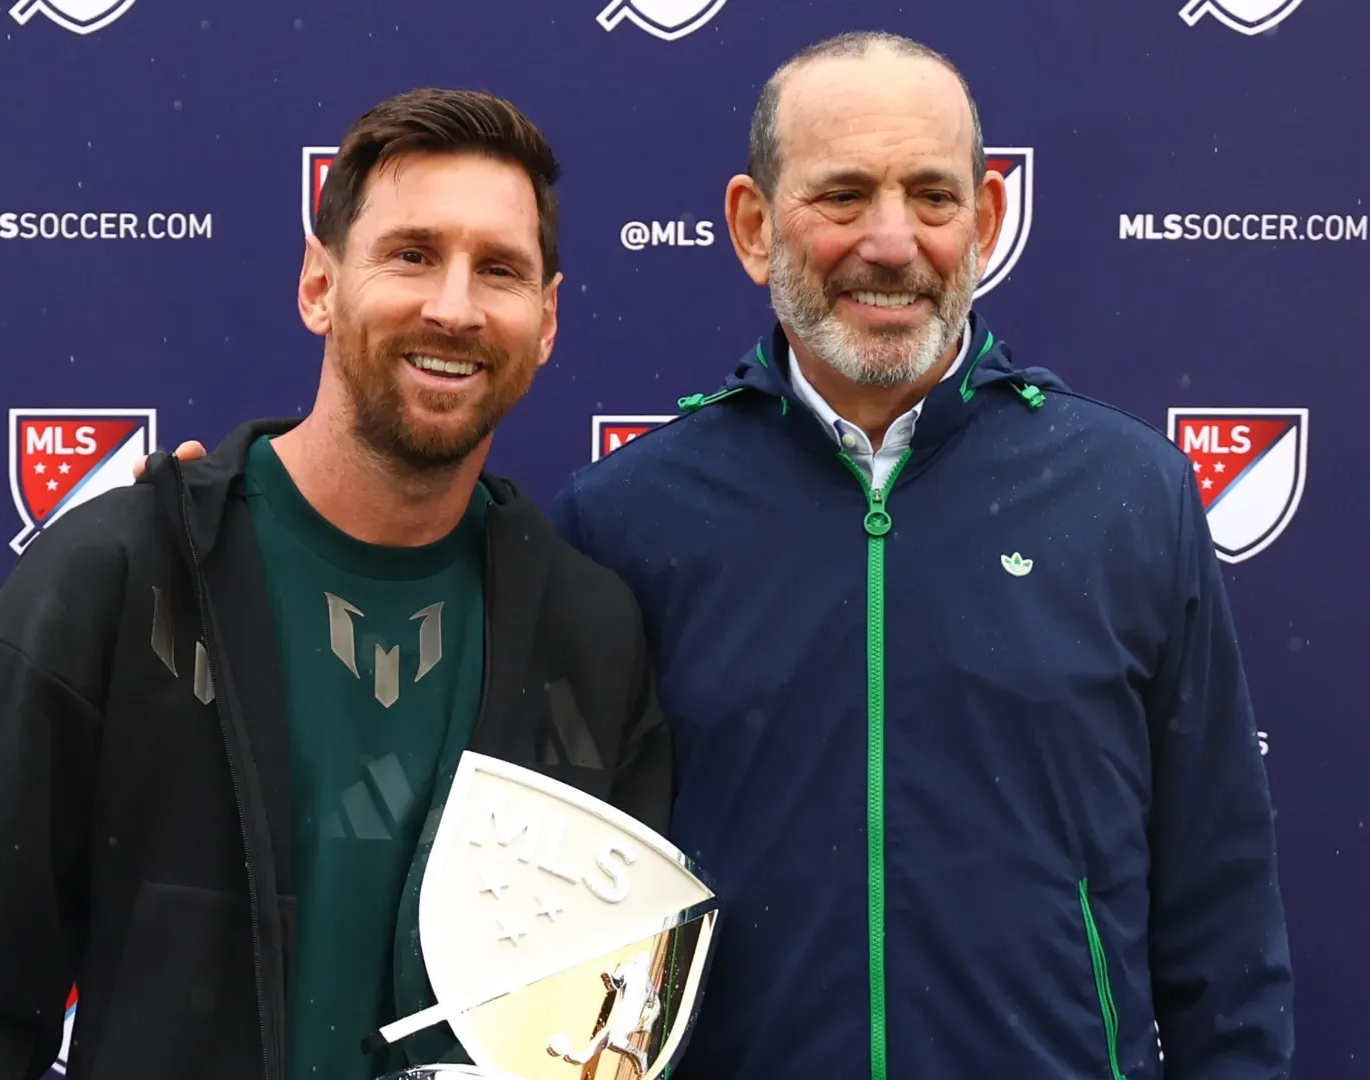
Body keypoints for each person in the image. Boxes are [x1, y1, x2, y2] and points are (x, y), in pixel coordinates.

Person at [151, 29, 1296, 1080]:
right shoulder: (628, 518)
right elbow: (527, 897)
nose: (890, 241)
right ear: (754, 225)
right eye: (842, 195)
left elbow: (1220, 903)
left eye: (931, 197)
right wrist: (220, 517)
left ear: (987, 218)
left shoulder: (1129, 495)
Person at [0, 88, 673, 1080]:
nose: (455, 307)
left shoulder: (588, 633)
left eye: (499, 270)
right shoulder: (121, 580)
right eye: (412, 254)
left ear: (546, 322)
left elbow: (614, 1027)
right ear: (318, 286)